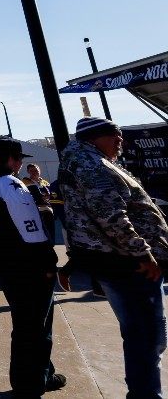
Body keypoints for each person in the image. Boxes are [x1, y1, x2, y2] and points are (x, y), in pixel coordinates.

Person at [59, 117, 167, 398]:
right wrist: (143, 254)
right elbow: (111, 216)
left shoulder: (90, 161)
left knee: (147, 335)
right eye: (113, 135)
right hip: (130, 265)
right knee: (144, 336)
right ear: (93, 138)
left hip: (119, 262)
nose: (120, 140)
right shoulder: (93, 166)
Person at [0, 138, 66, 397]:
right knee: (35, 327)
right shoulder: (10, 184)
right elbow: (32, 230)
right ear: (11, 159)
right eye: (18, 158)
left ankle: (41, 373)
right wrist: (49, 262)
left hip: (1, 262)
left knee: (28, 323)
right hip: (26, 265)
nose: (21, 163)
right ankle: (30, 383)